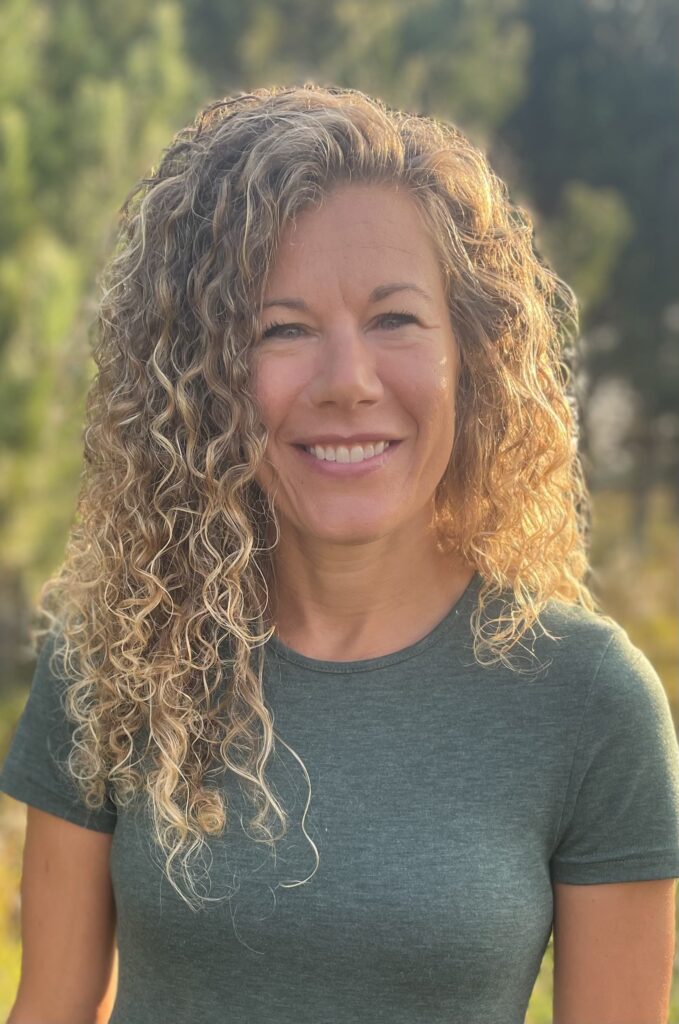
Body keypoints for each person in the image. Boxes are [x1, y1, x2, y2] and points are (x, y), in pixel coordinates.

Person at [1, 82, 678, 1024]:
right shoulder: (115, 658)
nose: (348, 382)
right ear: (205, 376)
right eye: (282, 329)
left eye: (394, 318)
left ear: (470, 353)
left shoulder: (589, 701)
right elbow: (51, 1009)